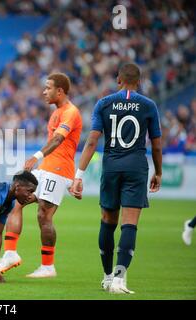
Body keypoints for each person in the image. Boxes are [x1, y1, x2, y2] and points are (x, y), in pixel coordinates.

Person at [70, 63, 162, 294]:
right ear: (139, 81)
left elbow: (91, 142)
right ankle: (120, 280)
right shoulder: (149, 105)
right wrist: (158, 172)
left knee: (107, 222)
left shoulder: (104, 103)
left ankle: (107, 276)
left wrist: (78, 175)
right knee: (129, 223)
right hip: (136, 168)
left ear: (118, 80)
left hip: (111, 167)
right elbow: (157, 145)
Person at [0, 73, 82, 278]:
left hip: (59, 169)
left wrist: (36, 156)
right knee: (16, 201)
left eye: (48, 88)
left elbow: (58, 140)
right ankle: (10, 253)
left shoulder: (70, 112)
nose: (44, 92)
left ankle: (48, 266)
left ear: (59, 91)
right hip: (47, 168)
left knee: (44, 215)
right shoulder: (57, 112)